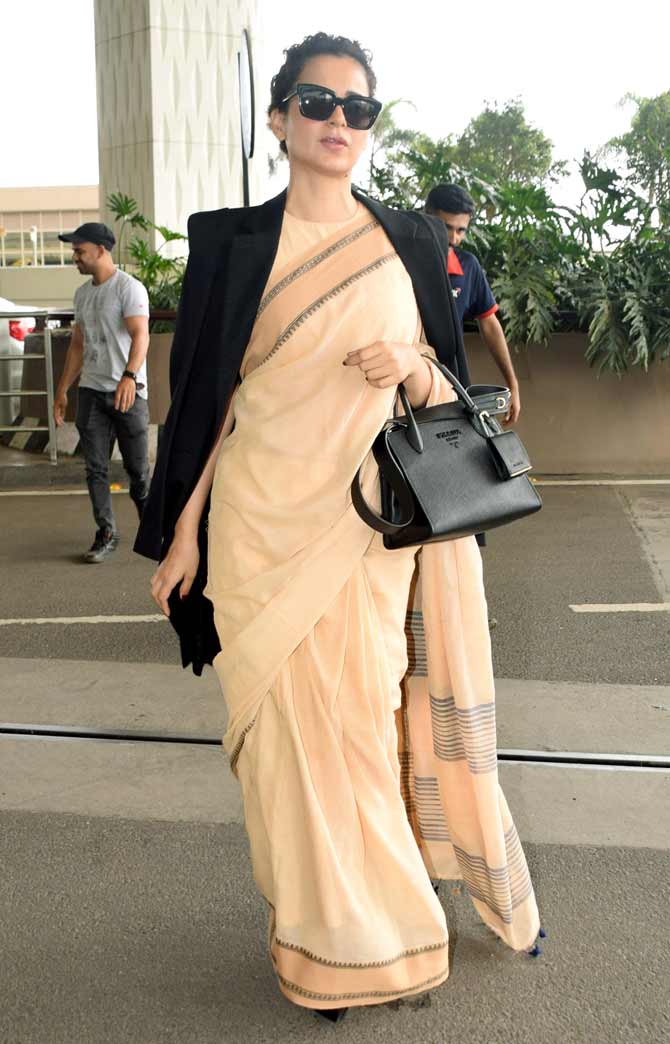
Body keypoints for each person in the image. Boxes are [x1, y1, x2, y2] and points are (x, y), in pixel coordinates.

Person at [135, 33, 542, 1022]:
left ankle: (387, 934)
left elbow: (447, 391)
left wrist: (409, 363)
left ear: (371, 127)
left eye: (358, 109)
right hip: (253, 527)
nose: (337, 124)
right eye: (316, 103)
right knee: (281, 750)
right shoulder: (230, 244)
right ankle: (321, 943)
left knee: (358, 732)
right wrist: (183, 535)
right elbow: (206, 408)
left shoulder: (406, 240)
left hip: (362, 531)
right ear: (278, 118)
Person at [53, 222, 151, 563]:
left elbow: (141, 336)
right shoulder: (83, 294)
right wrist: (63, 389)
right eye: (74, 251)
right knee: (95, 469)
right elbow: (78, 344)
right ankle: (106, 532)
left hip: (128, 393)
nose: (74, 257)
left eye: (79, 251)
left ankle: (153, 531)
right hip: (92, 393)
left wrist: (128, 376)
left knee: (138, 472)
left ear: (100, 249)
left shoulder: (129, 288)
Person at [425, 183, 521, 424]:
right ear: (426, 214)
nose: (454, 238)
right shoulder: (396, 259)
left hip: (450, 385)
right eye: (446, 227)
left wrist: (512, 384)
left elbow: (489, 325)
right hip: (397, 381)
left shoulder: (468, 267)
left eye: (461, 230)